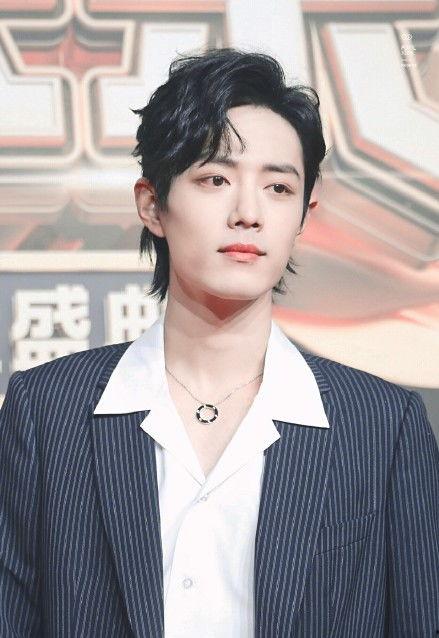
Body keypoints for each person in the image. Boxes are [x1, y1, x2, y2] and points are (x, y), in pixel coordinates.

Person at [0, 47, 438, 638]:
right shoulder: (47, 410)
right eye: (215, 179)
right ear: (152, 204)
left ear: (305, 215)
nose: (248, 213)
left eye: (278, 188)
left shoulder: (382, 426)